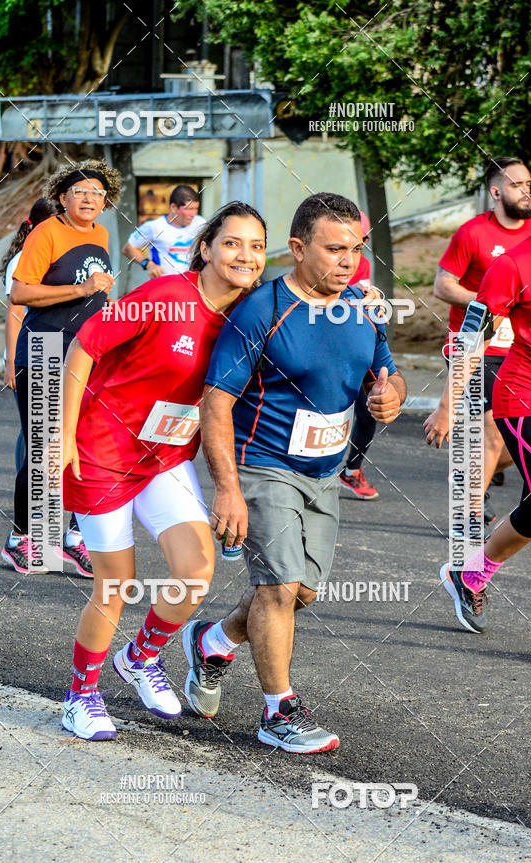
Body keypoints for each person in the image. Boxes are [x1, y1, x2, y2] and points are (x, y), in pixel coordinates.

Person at [186, 193, 406, 753]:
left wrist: (390, 397)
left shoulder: (360, 304)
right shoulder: (262, 310)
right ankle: (278, 711)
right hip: (264, 464)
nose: (348, 262)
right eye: (335, 250)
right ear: (298, 248)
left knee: (300, 591)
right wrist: (228, 489)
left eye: (355, 250)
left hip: (324, 473)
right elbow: (216, 402)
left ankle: (212, 641)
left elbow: (388, 372)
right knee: (278, 588)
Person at [60, 202, 267, 741]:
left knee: (196, 569)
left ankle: (140, 657)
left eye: (255, 246)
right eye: (231, 243)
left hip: (166, 458)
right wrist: (58, 432)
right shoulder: (164, 295)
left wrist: (362, 304)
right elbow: (84, 347)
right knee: (116, 583)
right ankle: (80, 696)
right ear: (205, 248)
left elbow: (309, 301)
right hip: (102, 452)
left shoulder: (253, 311)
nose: (245, 255)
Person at [424, 161, 531, 655]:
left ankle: (470, 572)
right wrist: (446, 403)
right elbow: (469, 336)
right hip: (526, 397)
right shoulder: (513, 264)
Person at [1, 159, 120, 576]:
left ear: (106, 202)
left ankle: (72, 537)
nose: (89, 198)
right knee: (45, 450)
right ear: (62, 197)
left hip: (84, 354)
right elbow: (20, 293)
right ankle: (21, 538)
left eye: (97, 193)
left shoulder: (102, 234)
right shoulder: (47, 232)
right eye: (80, 191)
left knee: (83, 445)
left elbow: (96, 298)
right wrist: (82, 288)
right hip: (45, 347)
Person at [433, 157, 531, 524]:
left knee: (513, 433)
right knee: (493, 426)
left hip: (525, 349)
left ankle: (475, 471)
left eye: (529, 184)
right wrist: (490, 302)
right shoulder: (473, 233)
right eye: (516, 185)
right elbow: (442, 285)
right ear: (496, 191)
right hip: (478, 346)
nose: (527, 191)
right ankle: (468, 513)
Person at [0, 198, 56, 471]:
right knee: (34, 429)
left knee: (45, 428)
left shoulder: (58, 255)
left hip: (55, 350)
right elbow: (15, 315)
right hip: (29, 353)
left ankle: (39, 491)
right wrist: (11, 363)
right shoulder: (23, 260)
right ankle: (29, 496)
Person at [340, 211, 381, 500]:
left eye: (361, 241)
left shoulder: (362, 262)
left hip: (355, 342)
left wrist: (373, 298)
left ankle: (352, 470)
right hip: (324, 344)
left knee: (367, 411)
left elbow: (361, 296)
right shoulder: (316, 260)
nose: (358, 248)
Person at [122, 184, 205, 278]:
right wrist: (149, 265)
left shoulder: (200, 223)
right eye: (189, 209)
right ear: (173, 207)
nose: (193, 214)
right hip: (164, 284)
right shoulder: (155, 226)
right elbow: (128, 248)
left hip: (191, 284)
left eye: (196, 208)